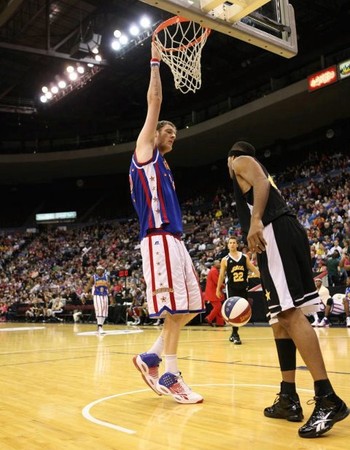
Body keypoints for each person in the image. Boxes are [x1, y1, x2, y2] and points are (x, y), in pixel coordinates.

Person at [226, 140, 349, 438]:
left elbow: (258, 182)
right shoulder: (256, 174)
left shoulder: (239, 161)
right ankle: (289, 397)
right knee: (279, 320)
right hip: (274, 236)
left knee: (290, 315)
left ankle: (326, 398)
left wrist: (255, 221)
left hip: (274, 232)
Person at [129, 43, 205, 404]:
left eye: (176, 133)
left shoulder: (166, 167)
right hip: (158, 239)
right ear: (154, 135)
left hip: (175, 240)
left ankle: (151, 357)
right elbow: (154, 102)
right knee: (175, 308)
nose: (172, 135)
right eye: (167, 132)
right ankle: (171, 375)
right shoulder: (145, 152)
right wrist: (156, 62)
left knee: (191, 306)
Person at [216, 237, 260, 344]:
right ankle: (235, 334)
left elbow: (253, 268)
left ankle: (233, 333)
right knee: (234, 310)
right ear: (228, 245)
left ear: (237, 245)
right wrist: (218, 289)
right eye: (230, 243)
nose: (232, 244)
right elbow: (221, 275)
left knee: (241, 310)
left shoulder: (244, 257)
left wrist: (261, 277)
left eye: (234, 243)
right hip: (231, 288)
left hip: (243, 287)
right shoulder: (225, 260)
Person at [85, 265, 110, 335]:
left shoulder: (106, 277)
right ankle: (100, 327)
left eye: (100, 270)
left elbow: (108, 285)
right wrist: (84, 293)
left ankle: (100, 326)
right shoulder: (94, 277)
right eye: (97, 270)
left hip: (105, 294)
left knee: (104, 310)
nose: (98, 271)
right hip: (97, 295)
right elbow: (89, 285)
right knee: (99, 309)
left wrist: (110, 294)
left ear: (103, 270)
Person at [204, 260, 225, 327]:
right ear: (215, 264)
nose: (220, 264)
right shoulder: (214, 271)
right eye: (218, 263)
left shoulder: (213, 270)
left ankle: (220, 323)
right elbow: (217, 282)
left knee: (218, 308)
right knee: (218, 307)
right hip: (213, 292)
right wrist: (224, 285)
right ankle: (209, 318)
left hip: (213, 292)